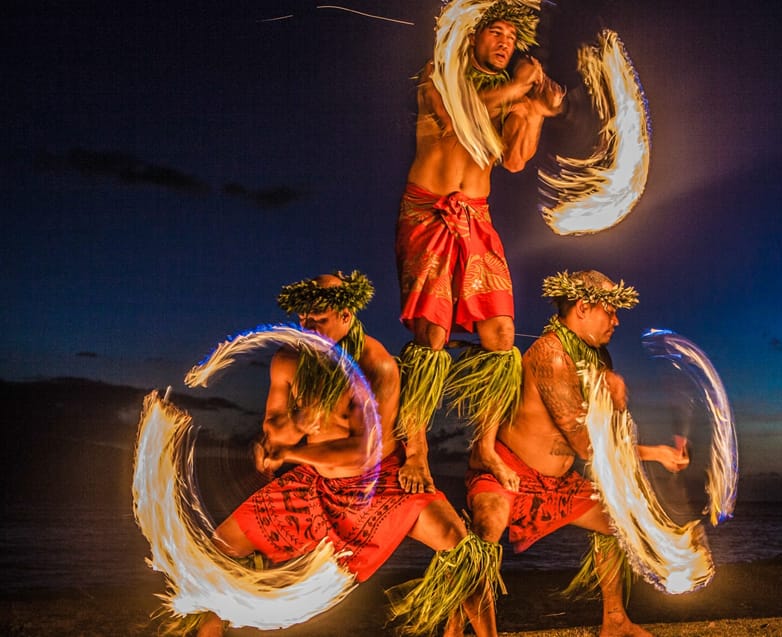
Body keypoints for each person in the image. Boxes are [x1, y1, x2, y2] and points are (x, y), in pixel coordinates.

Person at [195, 272, 499, 637]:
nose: (307, 327)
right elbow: (274, 427)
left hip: (381, 483)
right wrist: (296, 425)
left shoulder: (377, 365)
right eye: (304, 319)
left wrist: (291, 449)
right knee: (220, 548)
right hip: (316, 482)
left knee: (461, 547)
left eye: (318, 320)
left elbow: (362, 455)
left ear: (346, 315)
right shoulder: (289, 359)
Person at [458, 270, 690, 637]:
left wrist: (614, 401)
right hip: (508, 470)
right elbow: (586, 444)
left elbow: (602, 431)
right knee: (486, 529)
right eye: (610, 311)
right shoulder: (552, 356)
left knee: (614, 523)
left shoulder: (597, 357)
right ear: (583, 307)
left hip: (557, 482)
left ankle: (614, 621)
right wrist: (656, 453)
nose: (617, 320)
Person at [395, 0, 565, 492]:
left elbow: (512, 160)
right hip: (428, 214)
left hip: (478, 220)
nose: (506, 42)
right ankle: (418, 450)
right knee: (432, 335)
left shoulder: (508, 95)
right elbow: (460, 117)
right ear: (471, 36)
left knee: (501, 336)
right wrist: (521, 87)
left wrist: (534, 111)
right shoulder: (440, 74)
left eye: (513, 36)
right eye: (497, 32)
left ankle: (484, 446)